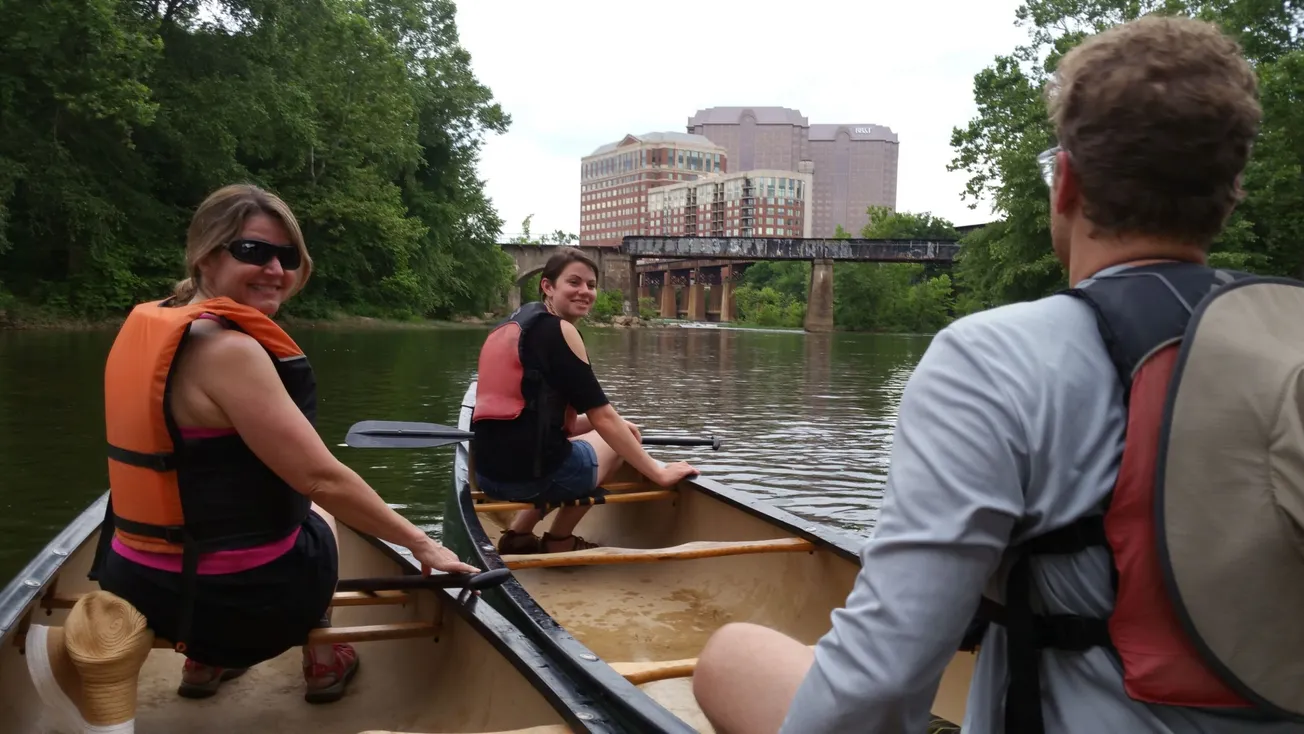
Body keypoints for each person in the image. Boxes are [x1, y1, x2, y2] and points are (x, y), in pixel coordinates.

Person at [691, 16, 1304, 734]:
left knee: (731, 656)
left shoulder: (993, 358)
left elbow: (873, 695)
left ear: (1065, 182)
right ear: (1230, 194)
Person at [92, 183, 479, 704]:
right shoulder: (229, 351)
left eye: (288, 256)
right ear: (205, 255)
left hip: (133, 591)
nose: (275, 269)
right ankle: (323, 657)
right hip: (237, 607)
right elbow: (321, 478)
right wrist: (422, 543)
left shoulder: (151, 324)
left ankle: (204, 664)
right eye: (253, 251)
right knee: (319, 507)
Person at [471, 248, 699, 554]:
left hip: (488, 476)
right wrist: (657, 471)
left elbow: (549, 420)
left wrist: (613, 426)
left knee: (616, 432)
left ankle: (519, 535)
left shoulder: (510, 326)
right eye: (574, 282)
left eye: (591, 285)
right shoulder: (560, 331)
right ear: (547, 286)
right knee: (623, 439)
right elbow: (602, 416)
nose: (585, 291)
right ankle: (559, 540)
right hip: (530, 479)